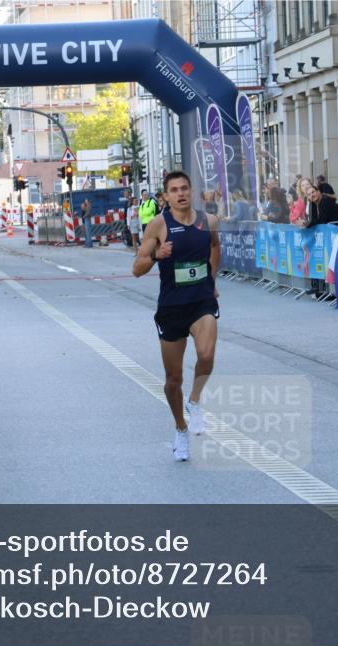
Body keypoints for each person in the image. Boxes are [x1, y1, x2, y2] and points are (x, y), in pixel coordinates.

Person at [132, 171, 220, 462]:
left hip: (201, 301)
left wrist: (213, 280)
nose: (180, 193)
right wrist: (158, 255)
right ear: (166, 197)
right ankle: (180, 429)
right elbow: (137, 268)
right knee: (173, 378)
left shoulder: (208, 221)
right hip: (172, 306)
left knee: (206, 355)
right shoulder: (159, 224)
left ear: (191, 191)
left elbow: (215, 247)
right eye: (174, 190)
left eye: (184, 188)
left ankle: (195, 402)